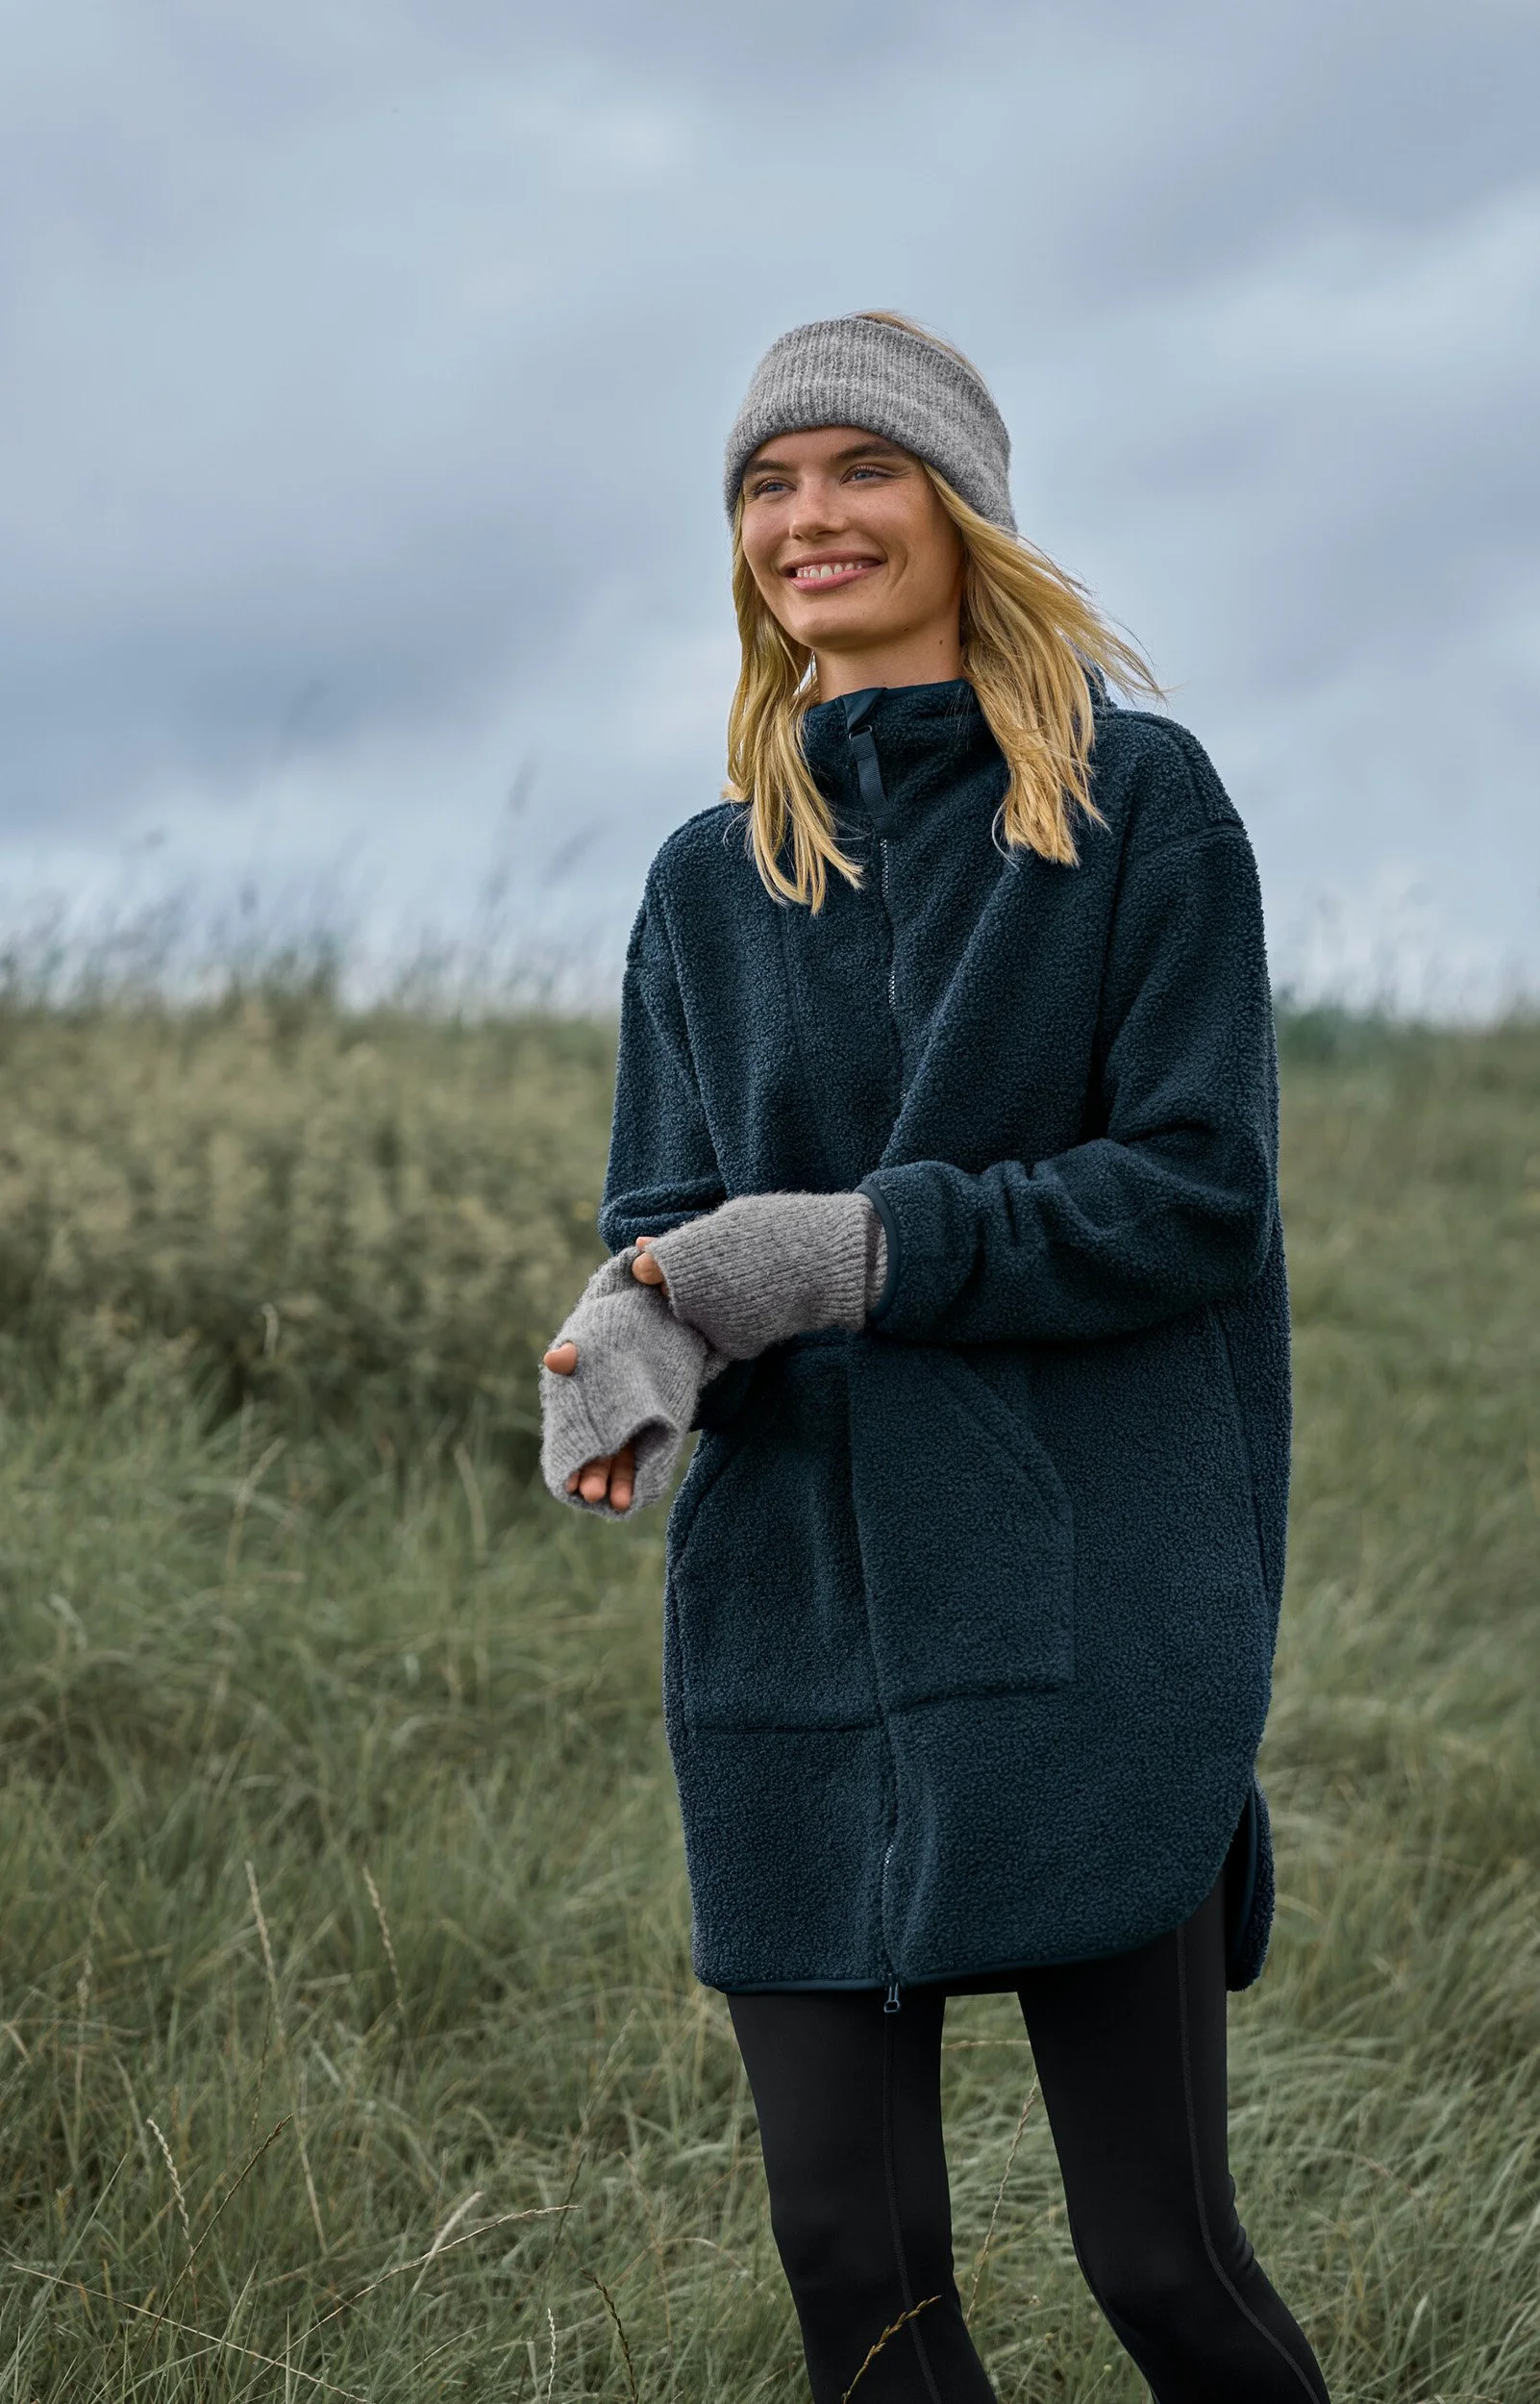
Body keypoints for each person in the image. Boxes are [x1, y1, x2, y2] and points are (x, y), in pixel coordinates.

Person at [540, 311, 1329, 2404]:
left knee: (1159, 2259)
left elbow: (1191, 1193)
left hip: (1089, 1609)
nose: (811, 518)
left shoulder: (1137, 804)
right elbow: (673, 1216)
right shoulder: (706, 878)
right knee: (853, 2271)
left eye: (858, 470)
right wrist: (639, 1330)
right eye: (768, 485)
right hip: (792, 1623)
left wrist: (839, 1249)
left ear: (961, 504)